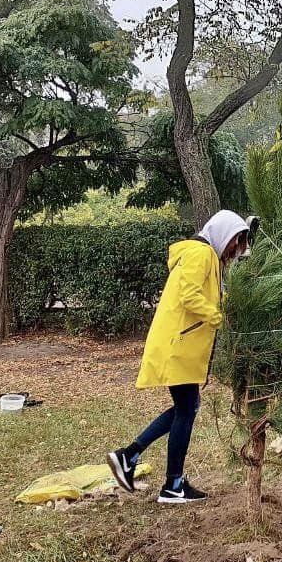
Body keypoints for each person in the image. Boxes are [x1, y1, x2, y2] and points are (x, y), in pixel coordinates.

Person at [106, 210, 251, 504]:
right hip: (178, 346)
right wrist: (219, 316)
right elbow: (190, 296)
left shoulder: (203, 256)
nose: (236, 249)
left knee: (186, 407)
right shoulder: (200, 253)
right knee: (186, 409)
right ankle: (168, 482)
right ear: (224, 234)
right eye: (236, 241)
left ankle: (134, 458)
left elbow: (202, 296)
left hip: (180, 345)